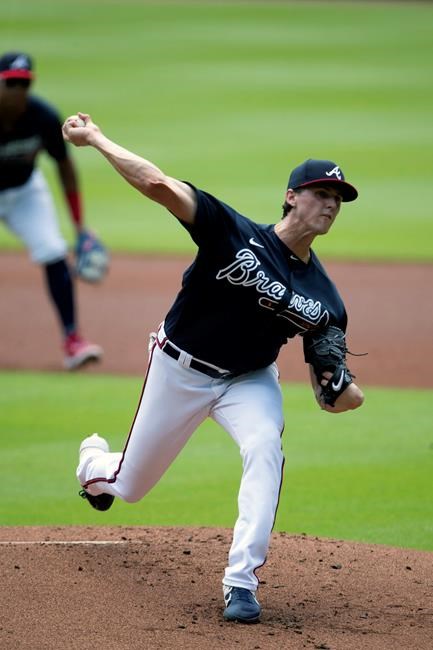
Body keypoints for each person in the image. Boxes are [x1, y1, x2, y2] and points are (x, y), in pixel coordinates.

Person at [63, 111, 364, 624]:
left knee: (266, 446)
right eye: (321, 193)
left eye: (338, 198)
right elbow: (158, 184)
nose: (331, 204)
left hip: (248, 380)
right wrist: (95, 139)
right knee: (129, 485)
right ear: (292, 195)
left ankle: (240, 582)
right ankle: (93, 464)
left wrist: (343, 392)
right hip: (179, 369)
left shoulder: (327, 300)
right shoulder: (232, 231)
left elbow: (329, 391)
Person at [0, 53, 102, 370]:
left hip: (24, 191)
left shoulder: (42, 117)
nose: (18, 91)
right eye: (11, 83)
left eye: (23, 84)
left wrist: (79, 225)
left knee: (54, 252)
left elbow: (64, 166)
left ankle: (73, 341)